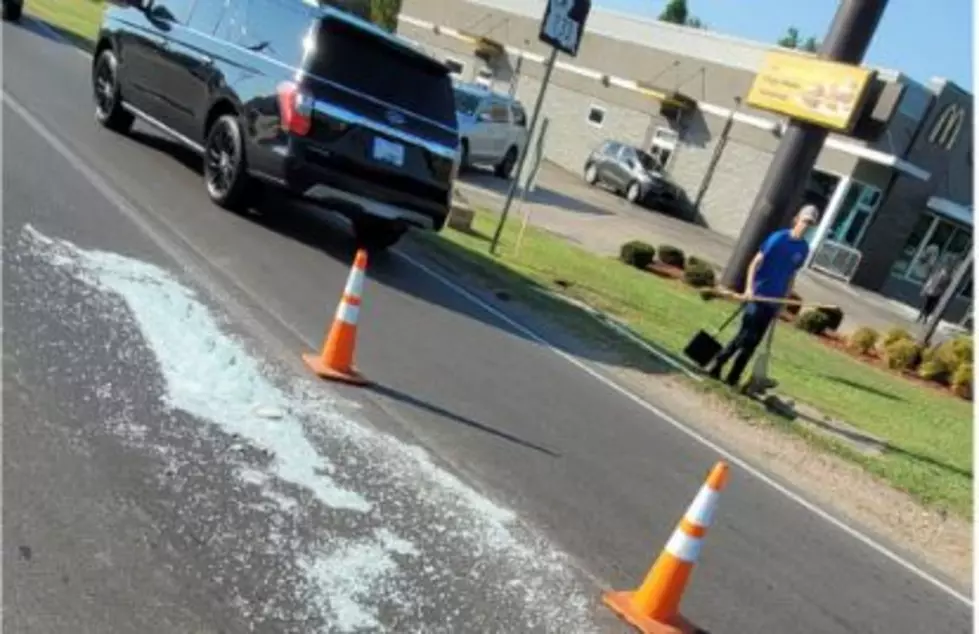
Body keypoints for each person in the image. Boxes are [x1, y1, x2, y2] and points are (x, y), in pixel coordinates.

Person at [707, 205, 818, 387]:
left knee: (754, 341)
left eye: (810, 223)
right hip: (758, 294)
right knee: (745, 336)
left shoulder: (803, 249)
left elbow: (791, 275)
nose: (806, 226)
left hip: (774, 300)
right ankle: (718, 363)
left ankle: (734, 375)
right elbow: (754, 263)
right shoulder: (778, 238)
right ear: (797, 218)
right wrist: (749, 289)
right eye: (805, 221)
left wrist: (785, 300)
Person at [917, 257, 953, 323]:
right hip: (930, 292)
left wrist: (942, 295)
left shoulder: (948, 279)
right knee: (925, 305)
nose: (944, 272)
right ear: (942, 270)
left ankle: (925, 318)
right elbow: (929, 282)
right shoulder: (936, 275)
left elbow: (946, 288)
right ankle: (920, 317)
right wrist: (924, 290)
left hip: (937, 294)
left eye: (945, 271)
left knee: (930, 307)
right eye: (943, 270)